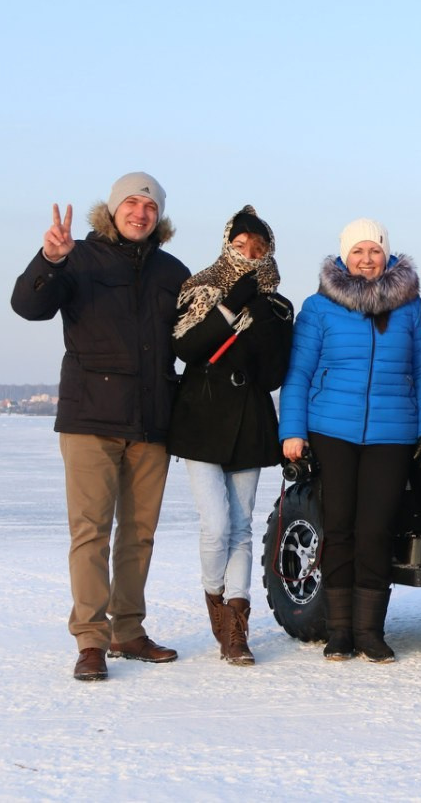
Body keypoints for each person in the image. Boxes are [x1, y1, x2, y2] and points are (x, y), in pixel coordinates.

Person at [10, 172, 190, 682]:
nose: (141, 213)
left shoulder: (173, 271)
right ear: (112, 209)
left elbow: (193, 342)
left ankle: (128, 630)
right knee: (90, 532)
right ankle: (91, 639)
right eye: (131, 203)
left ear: (159, 217)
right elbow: (28, 306)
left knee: (139, 534)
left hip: (152, 422)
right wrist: (50, 260)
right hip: (90, 418)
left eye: (150, 207)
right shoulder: (79, 258)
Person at [279, 219, 421, 662]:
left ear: (387, 256)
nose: (366, 260)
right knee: (339, 527)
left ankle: (369, 631)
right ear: (343, 257)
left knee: (376, 530)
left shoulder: (410, 308)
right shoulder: (319, 307)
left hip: (393, 432)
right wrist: (292, 430)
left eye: (374, 251)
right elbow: (299, 372)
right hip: (331, 429)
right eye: (358, 251)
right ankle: (339, 631)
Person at [168, 206, 294, 665]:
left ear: (268, 252)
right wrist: (229, 307)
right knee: (216, 525)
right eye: (240, 246)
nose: (248, 255)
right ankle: (215, 600)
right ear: (227, 245)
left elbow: (274, 375)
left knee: (240, 527)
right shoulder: (199, 288)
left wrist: (261, 327)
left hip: (250, 420)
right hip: (200, 418)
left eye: (257, 249)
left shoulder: (277, 305)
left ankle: (236, 627)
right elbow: (185, 347)